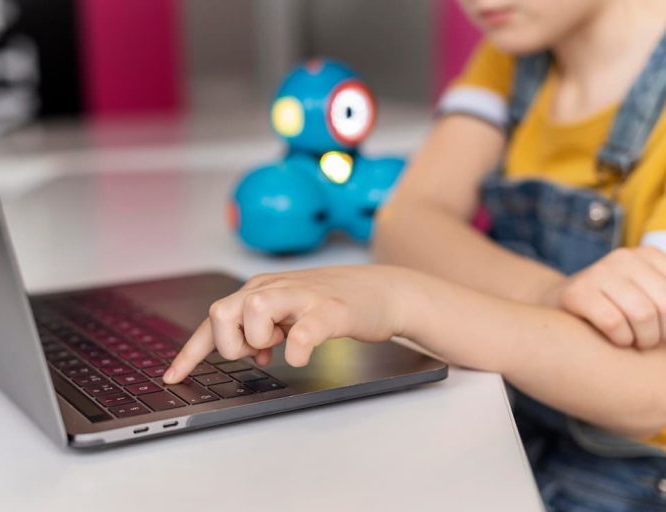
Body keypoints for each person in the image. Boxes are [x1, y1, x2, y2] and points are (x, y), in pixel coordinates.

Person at [165, 1, 666, 510]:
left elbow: (648, 391)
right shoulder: (516, 53)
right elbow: (405, 221)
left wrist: (402, 298)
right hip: (517, 417)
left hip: (634, 473)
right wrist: (552, 295)